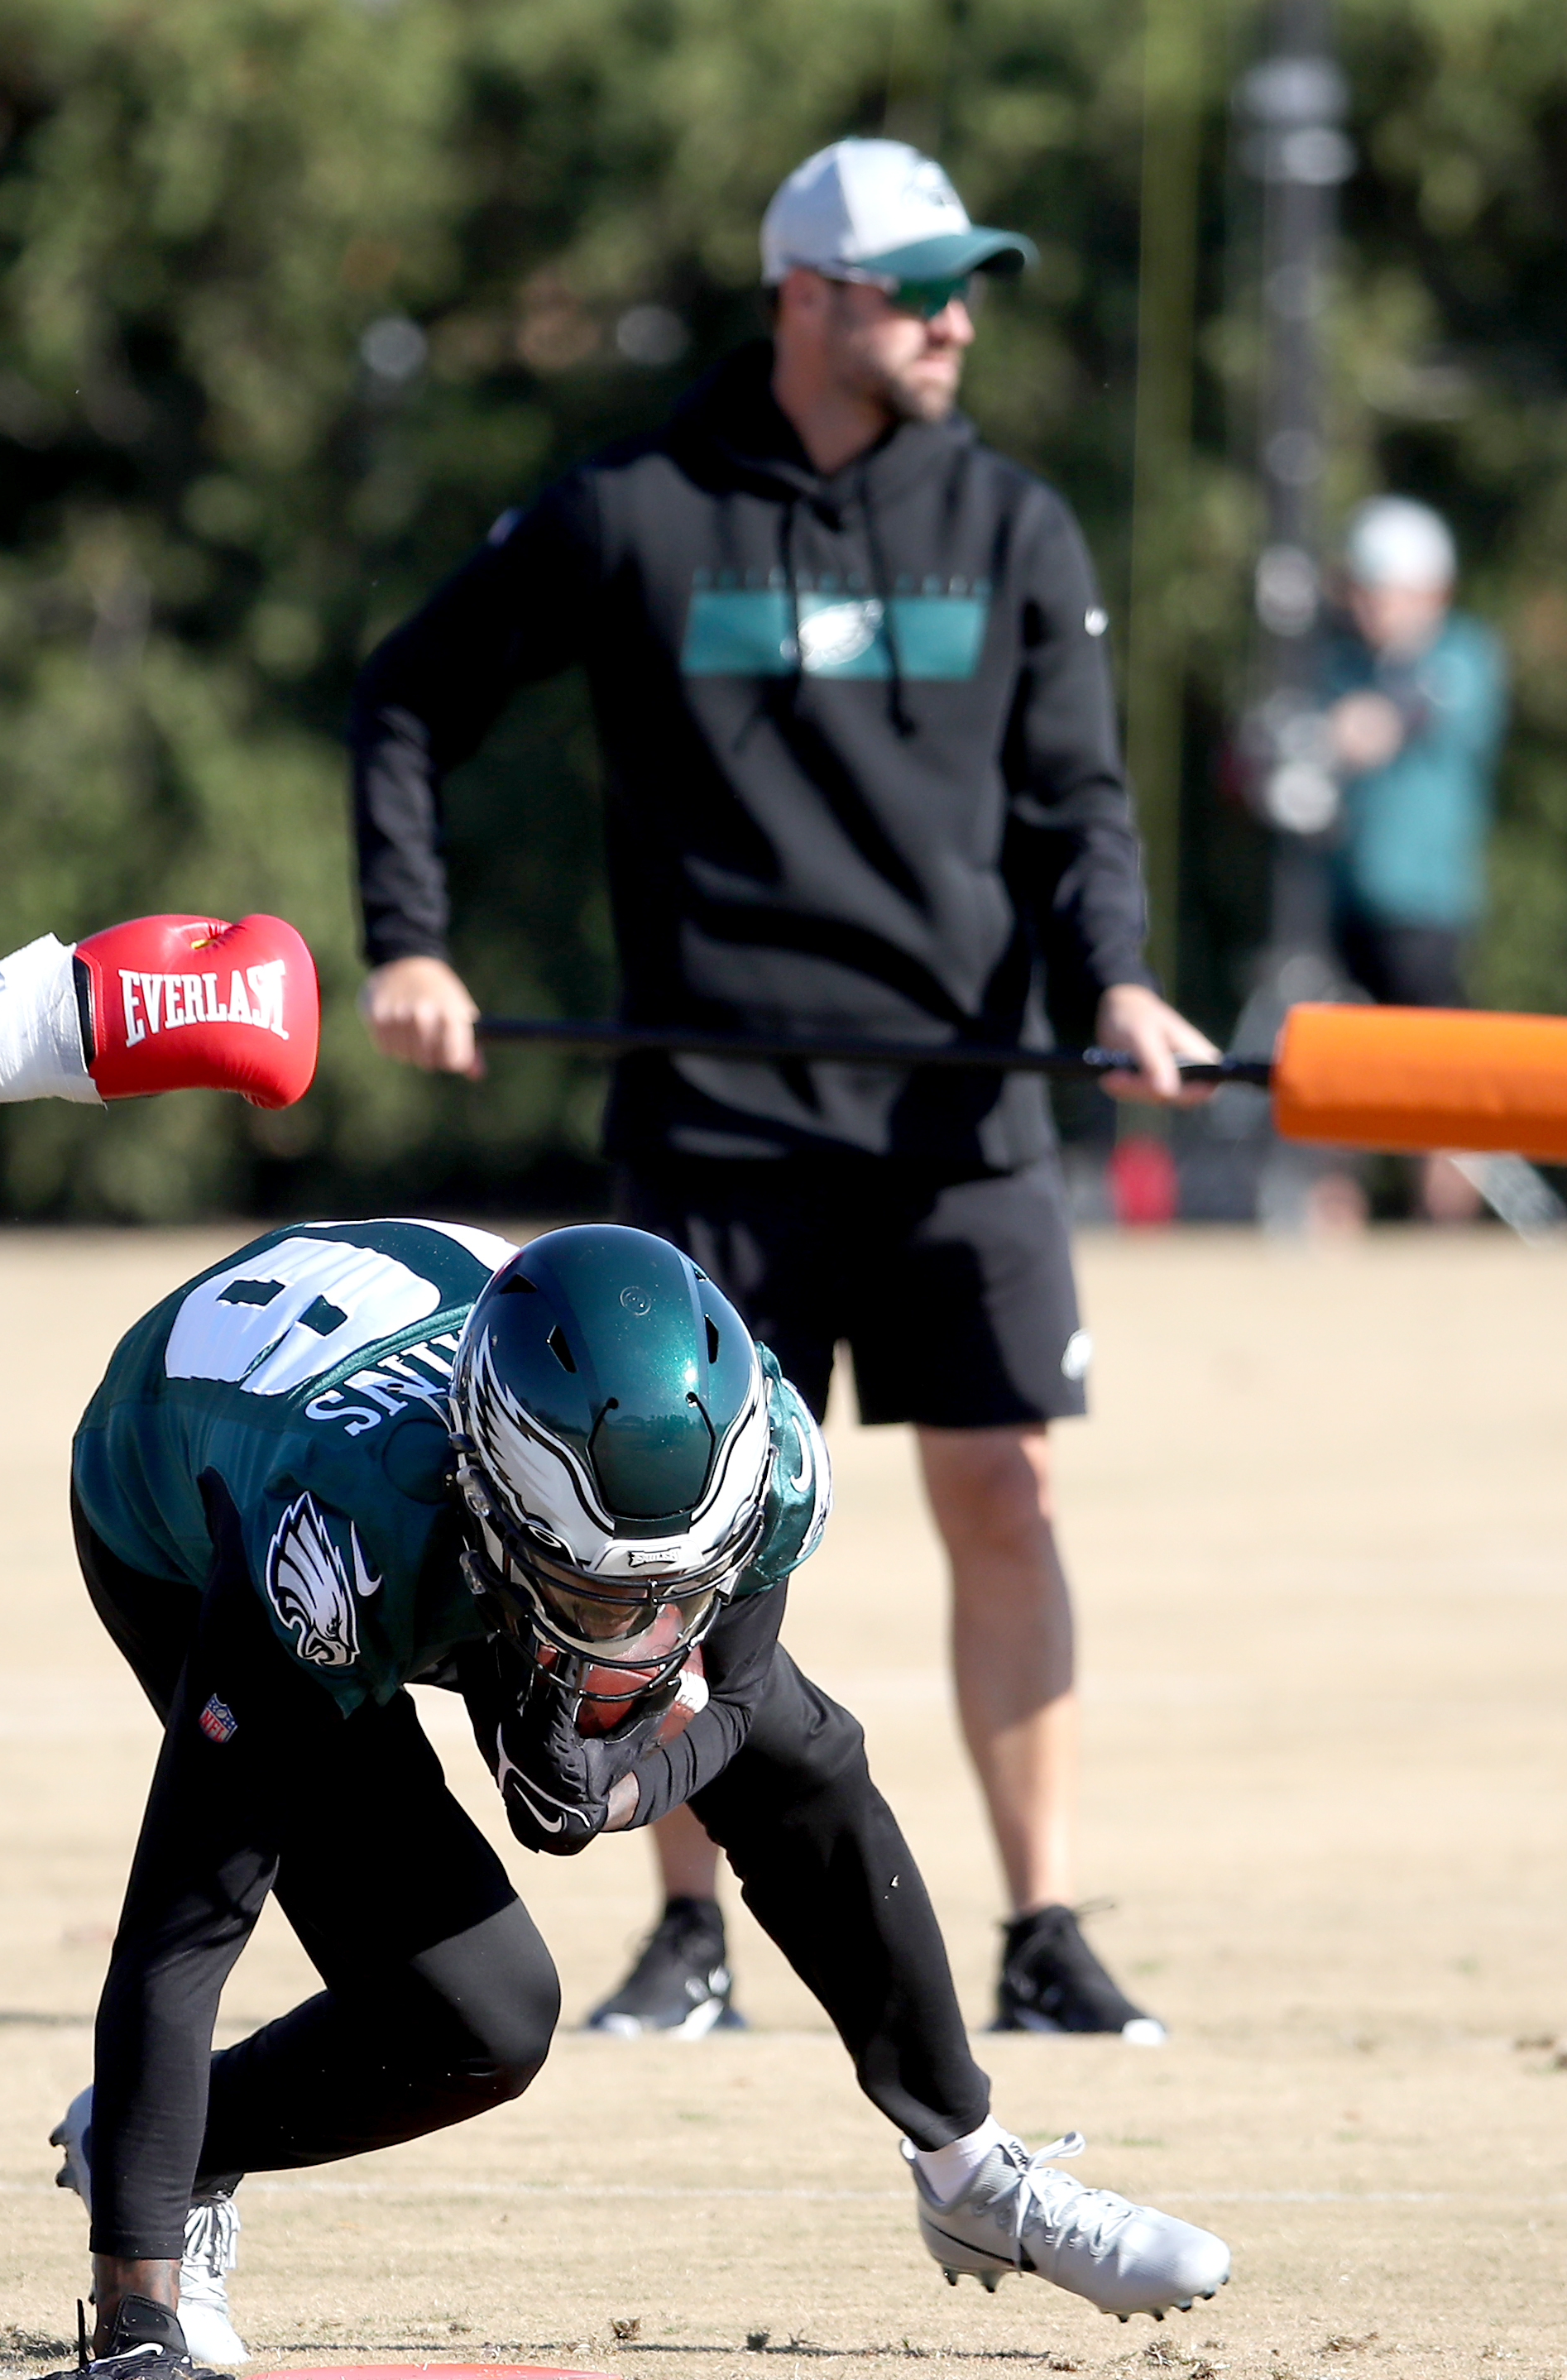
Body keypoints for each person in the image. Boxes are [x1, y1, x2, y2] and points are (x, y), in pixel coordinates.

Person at [349, 139, 1215, 2043]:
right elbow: (411, 694)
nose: (956, 318)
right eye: (920, 288)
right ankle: (691, 1932)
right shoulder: (640, 510)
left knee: (1006, 1484)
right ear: (806, 298)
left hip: (956, 1115)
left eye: (964, 283)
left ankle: (1045, 1921)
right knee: (667, 1527)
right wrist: (410, 942)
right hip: (716, 1115)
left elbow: (1079, 806)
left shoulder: (1013, 528)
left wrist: (1123, 983)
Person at [29, 1217, 1231, 2380]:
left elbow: (744, 1699)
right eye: (600, 1600)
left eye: (674, 1592)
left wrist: (613, 1789)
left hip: (478, 1492)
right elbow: (181, 1929)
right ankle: (175, 2170)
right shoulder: (340, 1536)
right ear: (492, 1498)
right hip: (178, 1514)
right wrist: (134, 2317)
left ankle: (971, 2174)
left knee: (807, 1762)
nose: (639, 1638)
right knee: (480, 2013)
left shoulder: (756, 1450)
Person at [1311, 496, 1508, 1231]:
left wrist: (1358, 727)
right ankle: (1335, 1224)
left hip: (1426, 903)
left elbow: (1405, 714)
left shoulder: (1462, 654)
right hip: (1341, 900)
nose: (1364, 607)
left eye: (1378, 590)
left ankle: (1443, 1224)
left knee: (1439, 1065)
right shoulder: (1338, 663)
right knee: (1335, 1068)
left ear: (1428, 590)